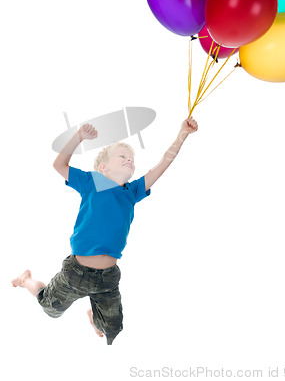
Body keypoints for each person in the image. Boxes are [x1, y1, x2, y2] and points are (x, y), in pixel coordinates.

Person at [11, 116, 198, 345]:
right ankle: (26, 280)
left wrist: (182, 135)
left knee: (112, 331)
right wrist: (78, 137)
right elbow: (59, 165)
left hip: (107, 279)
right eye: (123, 156)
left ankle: (94, 316)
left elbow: (162, 165)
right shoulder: (92, 182)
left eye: (132, 159)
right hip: (75, 273)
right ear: (103, 167)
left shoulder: (133, 191)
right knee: (50, 308)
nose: (130, 160)